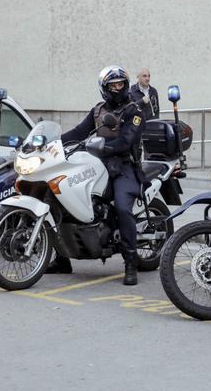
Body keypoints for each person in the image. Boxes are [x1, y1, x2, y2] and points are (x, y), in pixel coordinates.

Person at [61, 66, 146, 285]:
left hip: (125, 167)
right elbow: (78, 133)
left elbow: (126, 141)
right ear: (104, 88)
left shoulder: (134, 111)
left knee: (122, 207)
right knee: (64, 197)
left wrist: (101, 147)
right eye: (113, 85)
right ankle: (60, 257)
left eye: (121, 84)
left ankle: (130, 262)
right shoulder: (97, 111)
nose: (117, 89)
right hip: (97, 164)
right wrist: (49, 143)